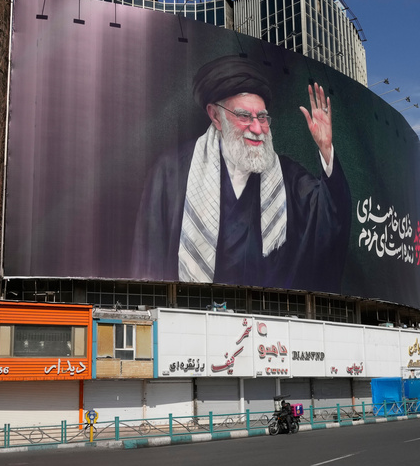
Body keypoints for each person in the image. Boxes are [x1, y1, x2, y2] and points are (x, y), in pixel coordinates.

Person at [132, 55, 351, 292]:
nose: (257, 129)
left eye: (262, 118)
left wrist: (326, 148)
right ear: (215, 116)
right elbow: (148, 262)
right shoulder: (170, 173)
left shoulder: (287, 176)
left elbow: (329, 215)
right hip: (191, 312)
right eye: (244, 117)